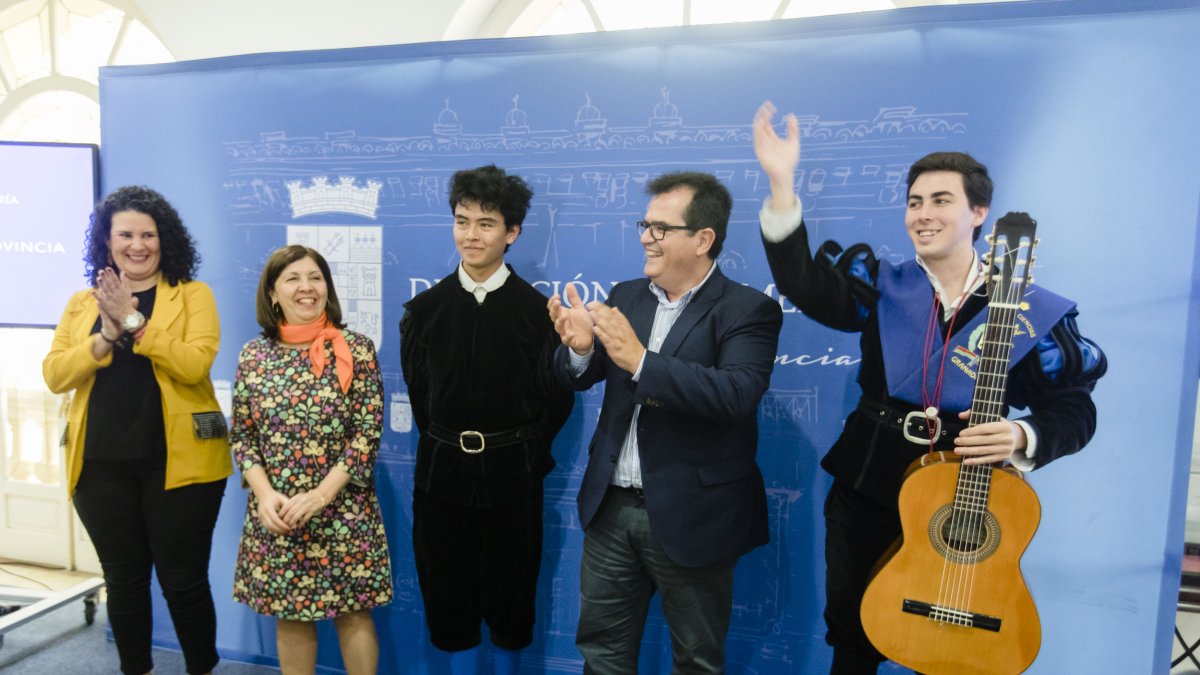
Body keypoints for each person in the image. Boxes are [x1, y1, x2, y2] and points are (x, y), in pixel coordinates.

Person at [751, 101, 1108, 674]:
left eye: (941, 201)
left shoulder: (1030, 311)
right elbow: (805, 284)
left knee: (955, 654)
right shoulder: (880, 284)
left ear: (978, 212)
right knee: (853, 639)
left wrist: (1023, 434)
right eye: (914, 202)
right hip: (867, 487)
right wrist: (780, 183)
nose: (923, 214)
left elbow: (1074, 408)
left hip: (967, 502)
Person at [548, 171, 783, 674]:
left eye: (660, 228)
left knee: (696, 660)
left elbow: (736, 395)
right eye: (644, 225)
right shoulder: (626, 295)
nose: (645, 237)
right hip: (611, 508)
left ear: (703, 240)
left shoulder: (748, 309)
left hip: (694, 515)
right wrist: (580, 349)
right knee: (601, 652)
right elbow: (583, 378)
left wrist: (641, 360)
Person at [42, 185, 230, 675]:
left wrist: (132, 319)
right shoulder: (83, 303)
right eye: (125, 234)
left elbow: (193, 366)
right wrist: (105, 335)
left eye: (148, 234)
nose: (137, 244)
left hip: (181, 468)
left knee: (183, 583)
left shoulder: (193, 295)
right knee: (122, 583)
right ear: (108, 241)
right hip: (100, 468)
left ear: (164, 239)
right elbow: (56, 374)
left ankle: (201, 670)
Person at [400, 164, 573, 675]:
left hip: (513, 476)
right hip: (440, 476)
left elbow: (555, 400)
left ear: (512, 232)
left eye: (486, 223)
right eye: (462, 221)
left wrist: (521, 452)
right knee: (447, 601)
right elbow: (421, 394)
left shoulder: (537, 313)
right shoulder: (424, 310)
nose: (471, 235)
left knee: (511, 602)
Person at [230, 245, 392, 675]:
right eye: (293, 279)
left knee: (354, 611)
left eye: (315, 277)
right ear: (273, 293)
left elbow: (366, 434)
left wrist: (320, 496)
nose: (307, 288)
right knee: (292, 611)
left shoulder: (356, 349)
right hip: (279, 512)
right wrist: (265, 496)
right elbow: (243, 437)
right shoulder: (253, 355)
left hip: (343, 507)